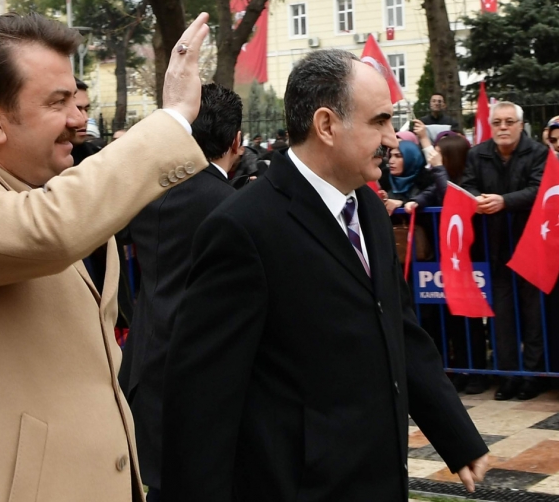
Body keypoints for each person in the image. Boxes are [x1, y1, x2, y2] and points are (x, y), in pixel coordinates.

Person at [0, 11, 210, 502]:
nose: (79, 118)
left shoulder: (44, 188)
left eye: (75, 99)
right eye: (57, 102)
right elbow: (49, 231)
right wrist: (172, 118)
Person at [161, 49, 489, 502]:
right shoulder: (243, 227)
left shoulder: (369, 209)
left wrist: (455, 435)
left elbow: (399, 331)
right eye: (379, 121)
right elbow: (202, 396)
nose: (391, 139)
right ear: (327, 125)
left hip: (378, 478)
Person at [119, 84, 242, 502]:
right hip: (203, 380)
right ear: (236, 141)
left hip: (145, 363)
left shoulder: (149, 195)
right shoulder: (234, 207)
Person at [462, 102, 548, 400]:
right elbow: (467, 186)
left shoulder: (538, 152)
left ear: (520, 125)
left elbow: (539, 189)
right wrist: (477, 200)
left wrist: (504, 201)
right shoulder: (478, 153)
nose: (502, 127)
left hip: (530, 244)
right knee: (501, 317)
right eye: (497, 122)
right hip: (495, 246)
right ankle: (508, 377)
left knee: (533, 315)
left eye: (509, 122)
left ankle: (533, 376)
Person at [379, 138, 447, 215]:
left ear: (412, 158)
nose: (391, 161)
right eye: (390, 156)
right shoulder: (384, 181)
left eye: (398, 156)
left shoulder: (428, 181)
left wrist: (403, 204)